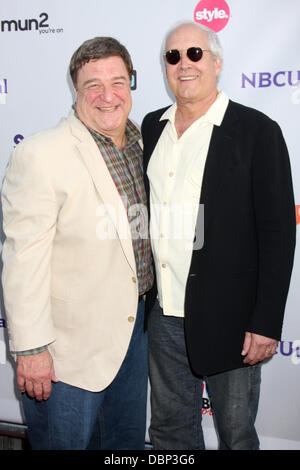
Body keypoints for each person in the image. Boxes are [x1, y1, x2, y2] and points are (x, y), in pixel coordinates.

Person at [142, 22, 296, 450]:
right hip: (165, 317)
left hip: (233, 321)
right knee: (170, 434)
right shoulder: (153, 127)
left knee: (236, 435)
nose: (184, 64)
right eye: (173, 57)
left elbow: (278, 234)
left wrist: (265, 323)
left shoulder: (257, 131)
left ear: (217, 63)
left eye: (194, 53)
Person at [1, 36, 153, 450]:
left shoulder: (143, 145)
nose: (108, 96)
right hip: (67, 353)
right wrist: (31, 348)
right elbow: (22, 258)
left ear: (132, 83)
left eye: (118, 82)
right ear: (76, 90)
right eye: (93, 86)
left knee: (124, 449)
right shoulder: (40, 154)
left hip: (134, 335)